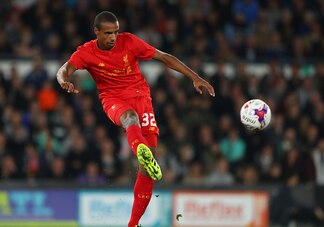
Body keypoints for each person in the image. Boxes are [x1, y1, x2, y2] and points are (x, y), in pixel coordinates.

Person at [56, 11, 215, 227]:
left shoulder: (129, 42)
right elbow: (64, 69)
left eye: (115, 32)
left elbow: (164, 57)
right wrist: (64, 80)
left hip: (142, 98)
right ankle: (142, 150)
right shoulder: (87, 52)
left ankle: (133, 224)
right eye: (108, 33)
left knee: (146, 170)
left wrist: (195, 77)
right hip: (113, 99)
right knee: (130, 118)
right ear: (97, 32)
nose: (113, 37)